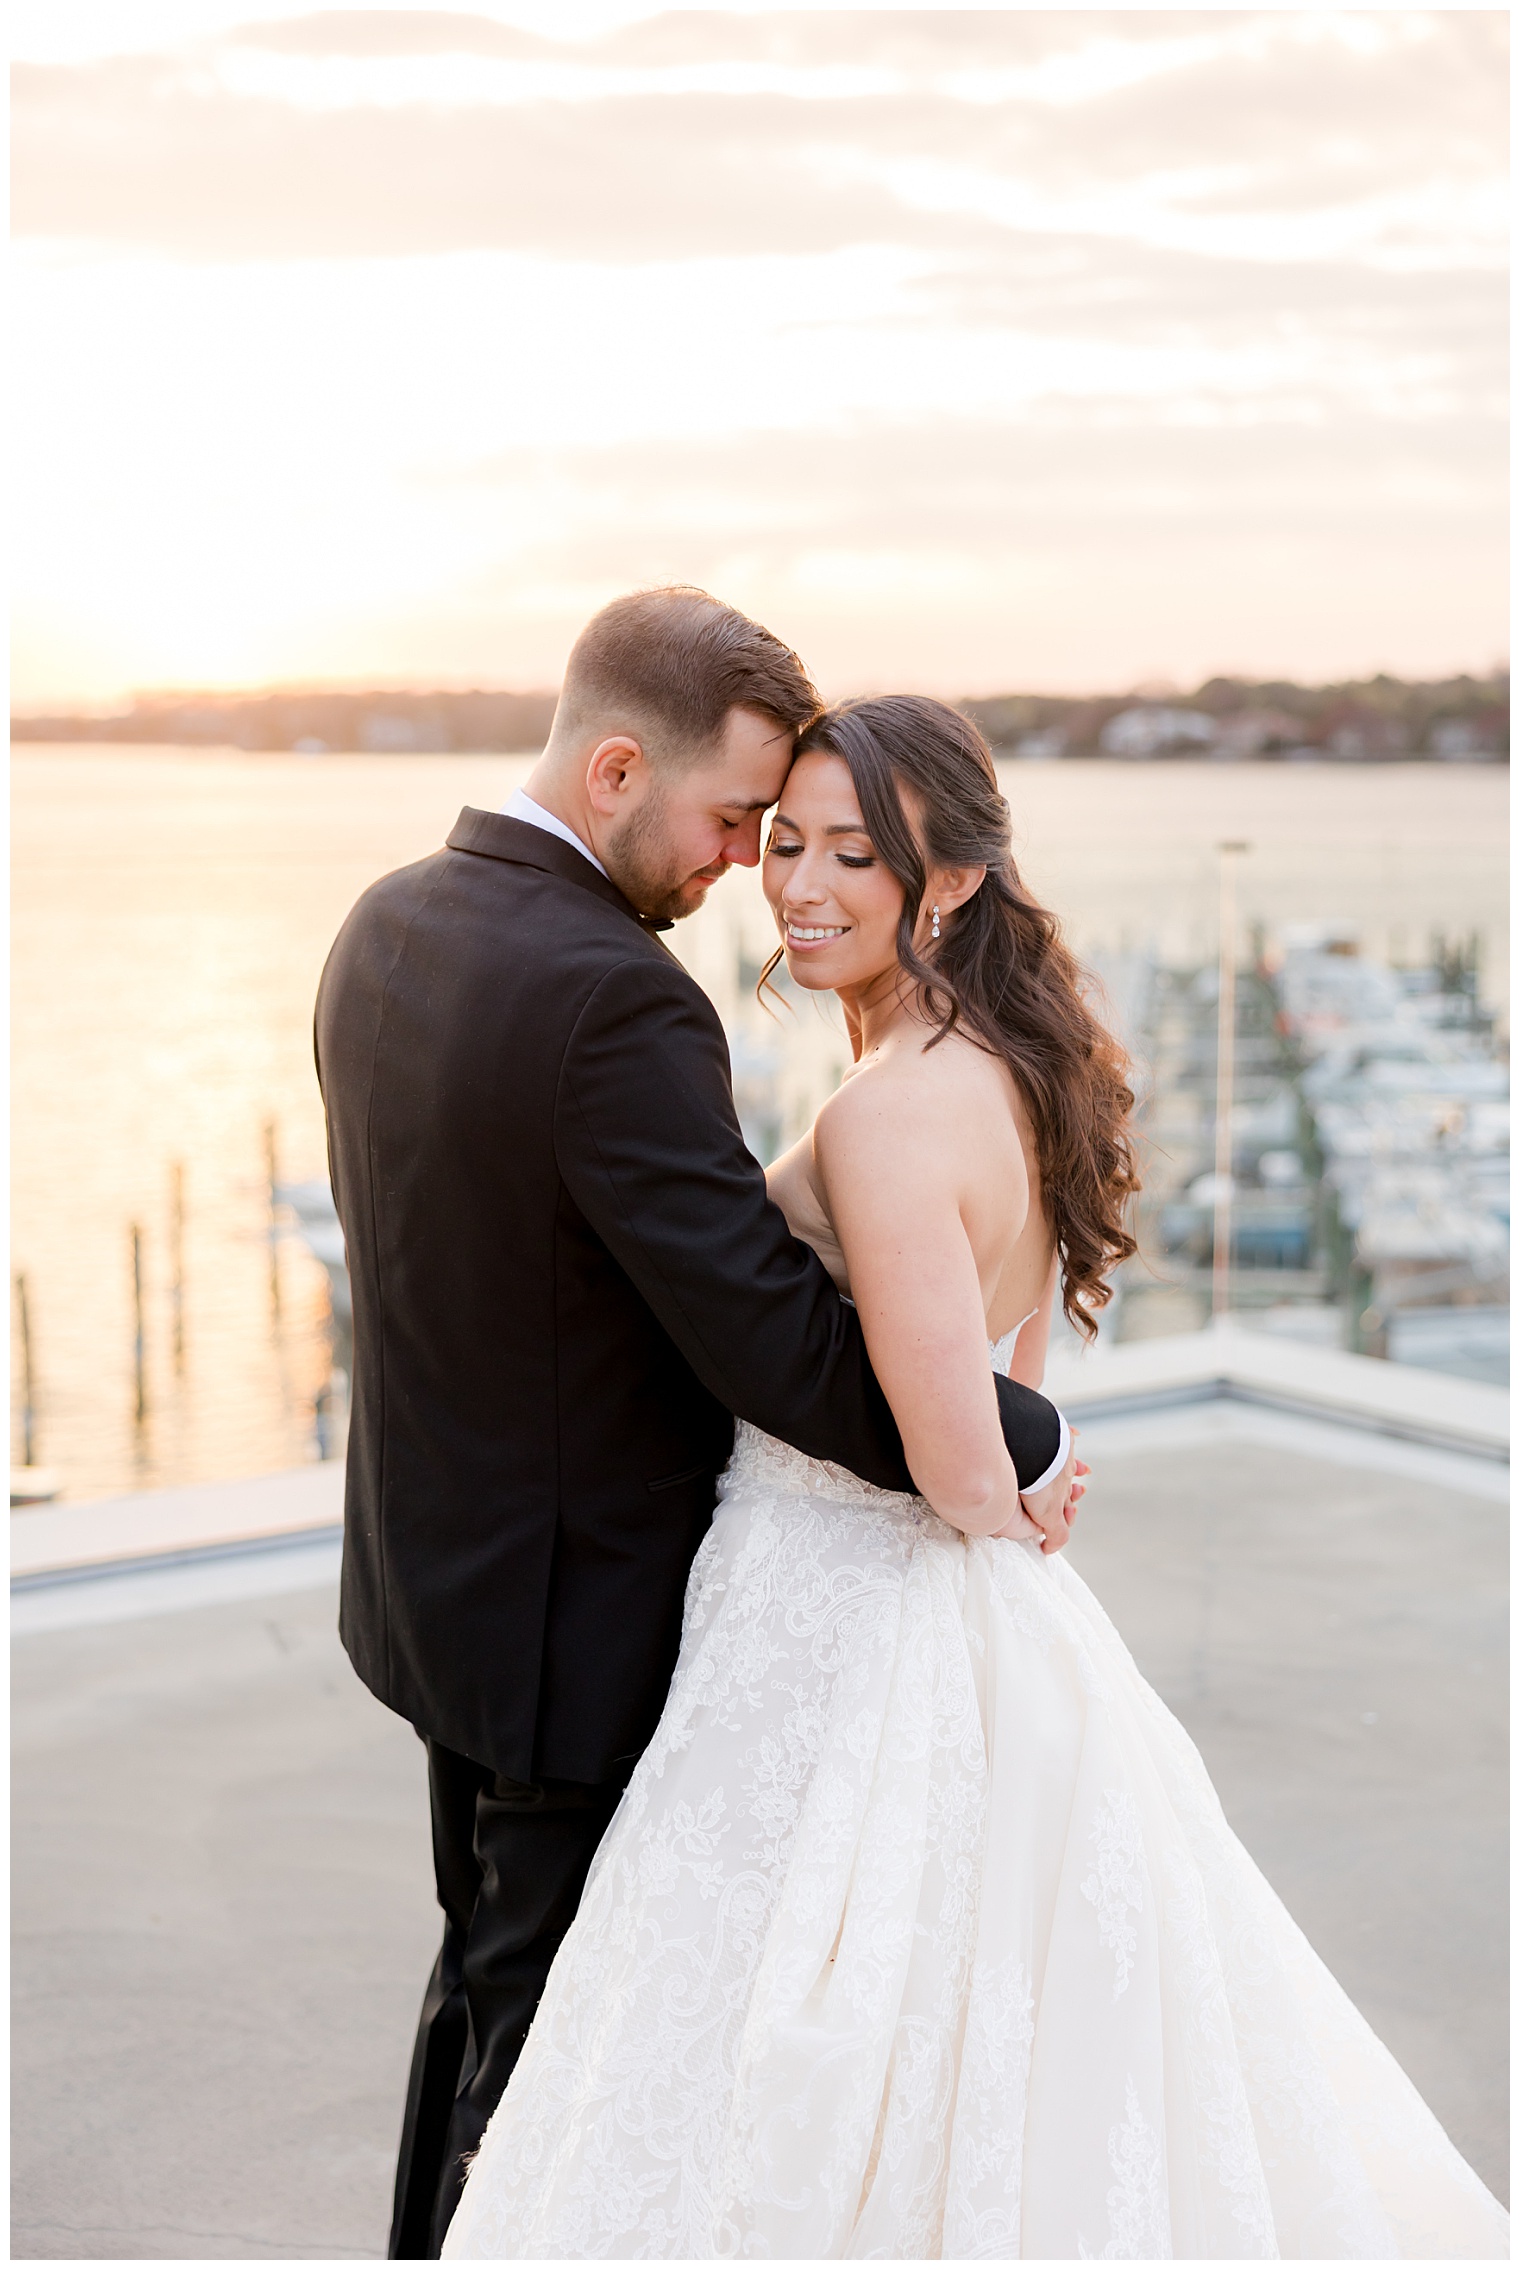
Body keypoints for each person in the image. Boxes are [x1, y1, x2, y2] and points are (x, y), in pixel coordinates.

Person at [441, 695, 1508, 2261]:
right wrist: (1029, 1471)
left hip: (835, 1613)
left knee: (790, 2041)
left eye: (852, 855)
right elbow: (1014, 1389)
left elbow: (949, 1454)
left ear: (943, 883)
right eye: (783, 842)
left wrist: (998, 1479)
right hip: (966, 1616)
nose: (798, 883)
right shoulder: (1019, 1065)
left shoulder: (883, 1117)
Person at [314, 595, 1076, 2260]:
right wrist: (1016, 1437)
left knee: (485, 1981)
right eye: (739, 821)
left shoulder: (383, 923)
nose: (750, 867)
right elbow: (773, 1339)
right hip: (568, 1632)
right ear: (610, 768)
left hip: (430, 1591)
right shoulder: (617, 998)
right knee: (547, 2064)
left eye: (801, 838)